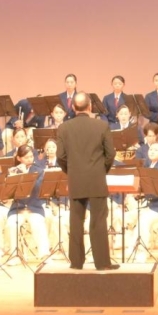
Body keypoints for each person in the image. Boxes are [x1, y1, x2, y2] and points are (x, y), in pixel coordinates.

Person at [56, 92, 118, 270]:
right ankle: (102, 263)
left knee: (76, 221)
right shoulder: (101, 125)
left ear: (73, 108)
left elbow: (60, 156)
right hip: (96, 179)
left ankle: (76, 263)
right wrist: (101, 170)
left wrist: (71, 171)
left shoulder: (64, 128)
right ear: (90, 107)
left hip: (76, 179)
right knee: (98, 221)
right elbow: (111, 154)